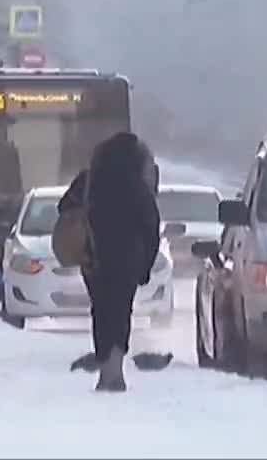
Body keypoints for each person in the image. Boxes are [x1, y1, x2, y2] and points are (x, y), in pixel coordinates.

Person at [80, 132, 162, 393]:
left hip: (95, 259)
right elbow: (151, 228)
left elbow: (64, 208)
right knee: (120, 311)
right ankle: (115, 369)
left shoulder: (91, 182)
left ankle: (106, 370)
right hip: (127, 261)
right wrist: (146, 266)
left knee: (101, 311)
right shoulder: (137, 188)